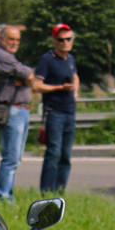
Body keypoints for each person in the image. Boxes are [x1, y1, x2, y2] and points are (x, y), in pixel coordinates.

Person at [0, 25, 34, 203]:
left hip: (20, 110)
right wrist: (25, 77)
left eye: (17, 40)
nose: (15, 43)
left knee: (15, 158)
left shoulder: (8, 57)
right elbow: (29, 75)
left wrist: (25, 77)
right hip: (12, 110)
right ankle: (4, 197)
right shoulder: (2, 56)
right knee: (10, 158)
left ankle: (7, 195)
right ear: (1, 39)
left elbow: (28, 76)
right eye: (11, 39)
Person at [33, 23, 79, 192]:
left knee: (66, 155)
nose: (65, 42)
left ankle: (61, 191)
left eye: (68, 39)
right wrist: (59, 88)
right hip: (55, 112)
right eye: (61, 40)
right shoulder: (47, 59)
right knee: (54, 153)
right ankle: (46, 191)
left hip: (70, 111)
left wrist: (75, 91)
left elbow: (75, 76)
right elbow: (36, 85)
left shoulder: (70, 58)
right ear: (54, 41)